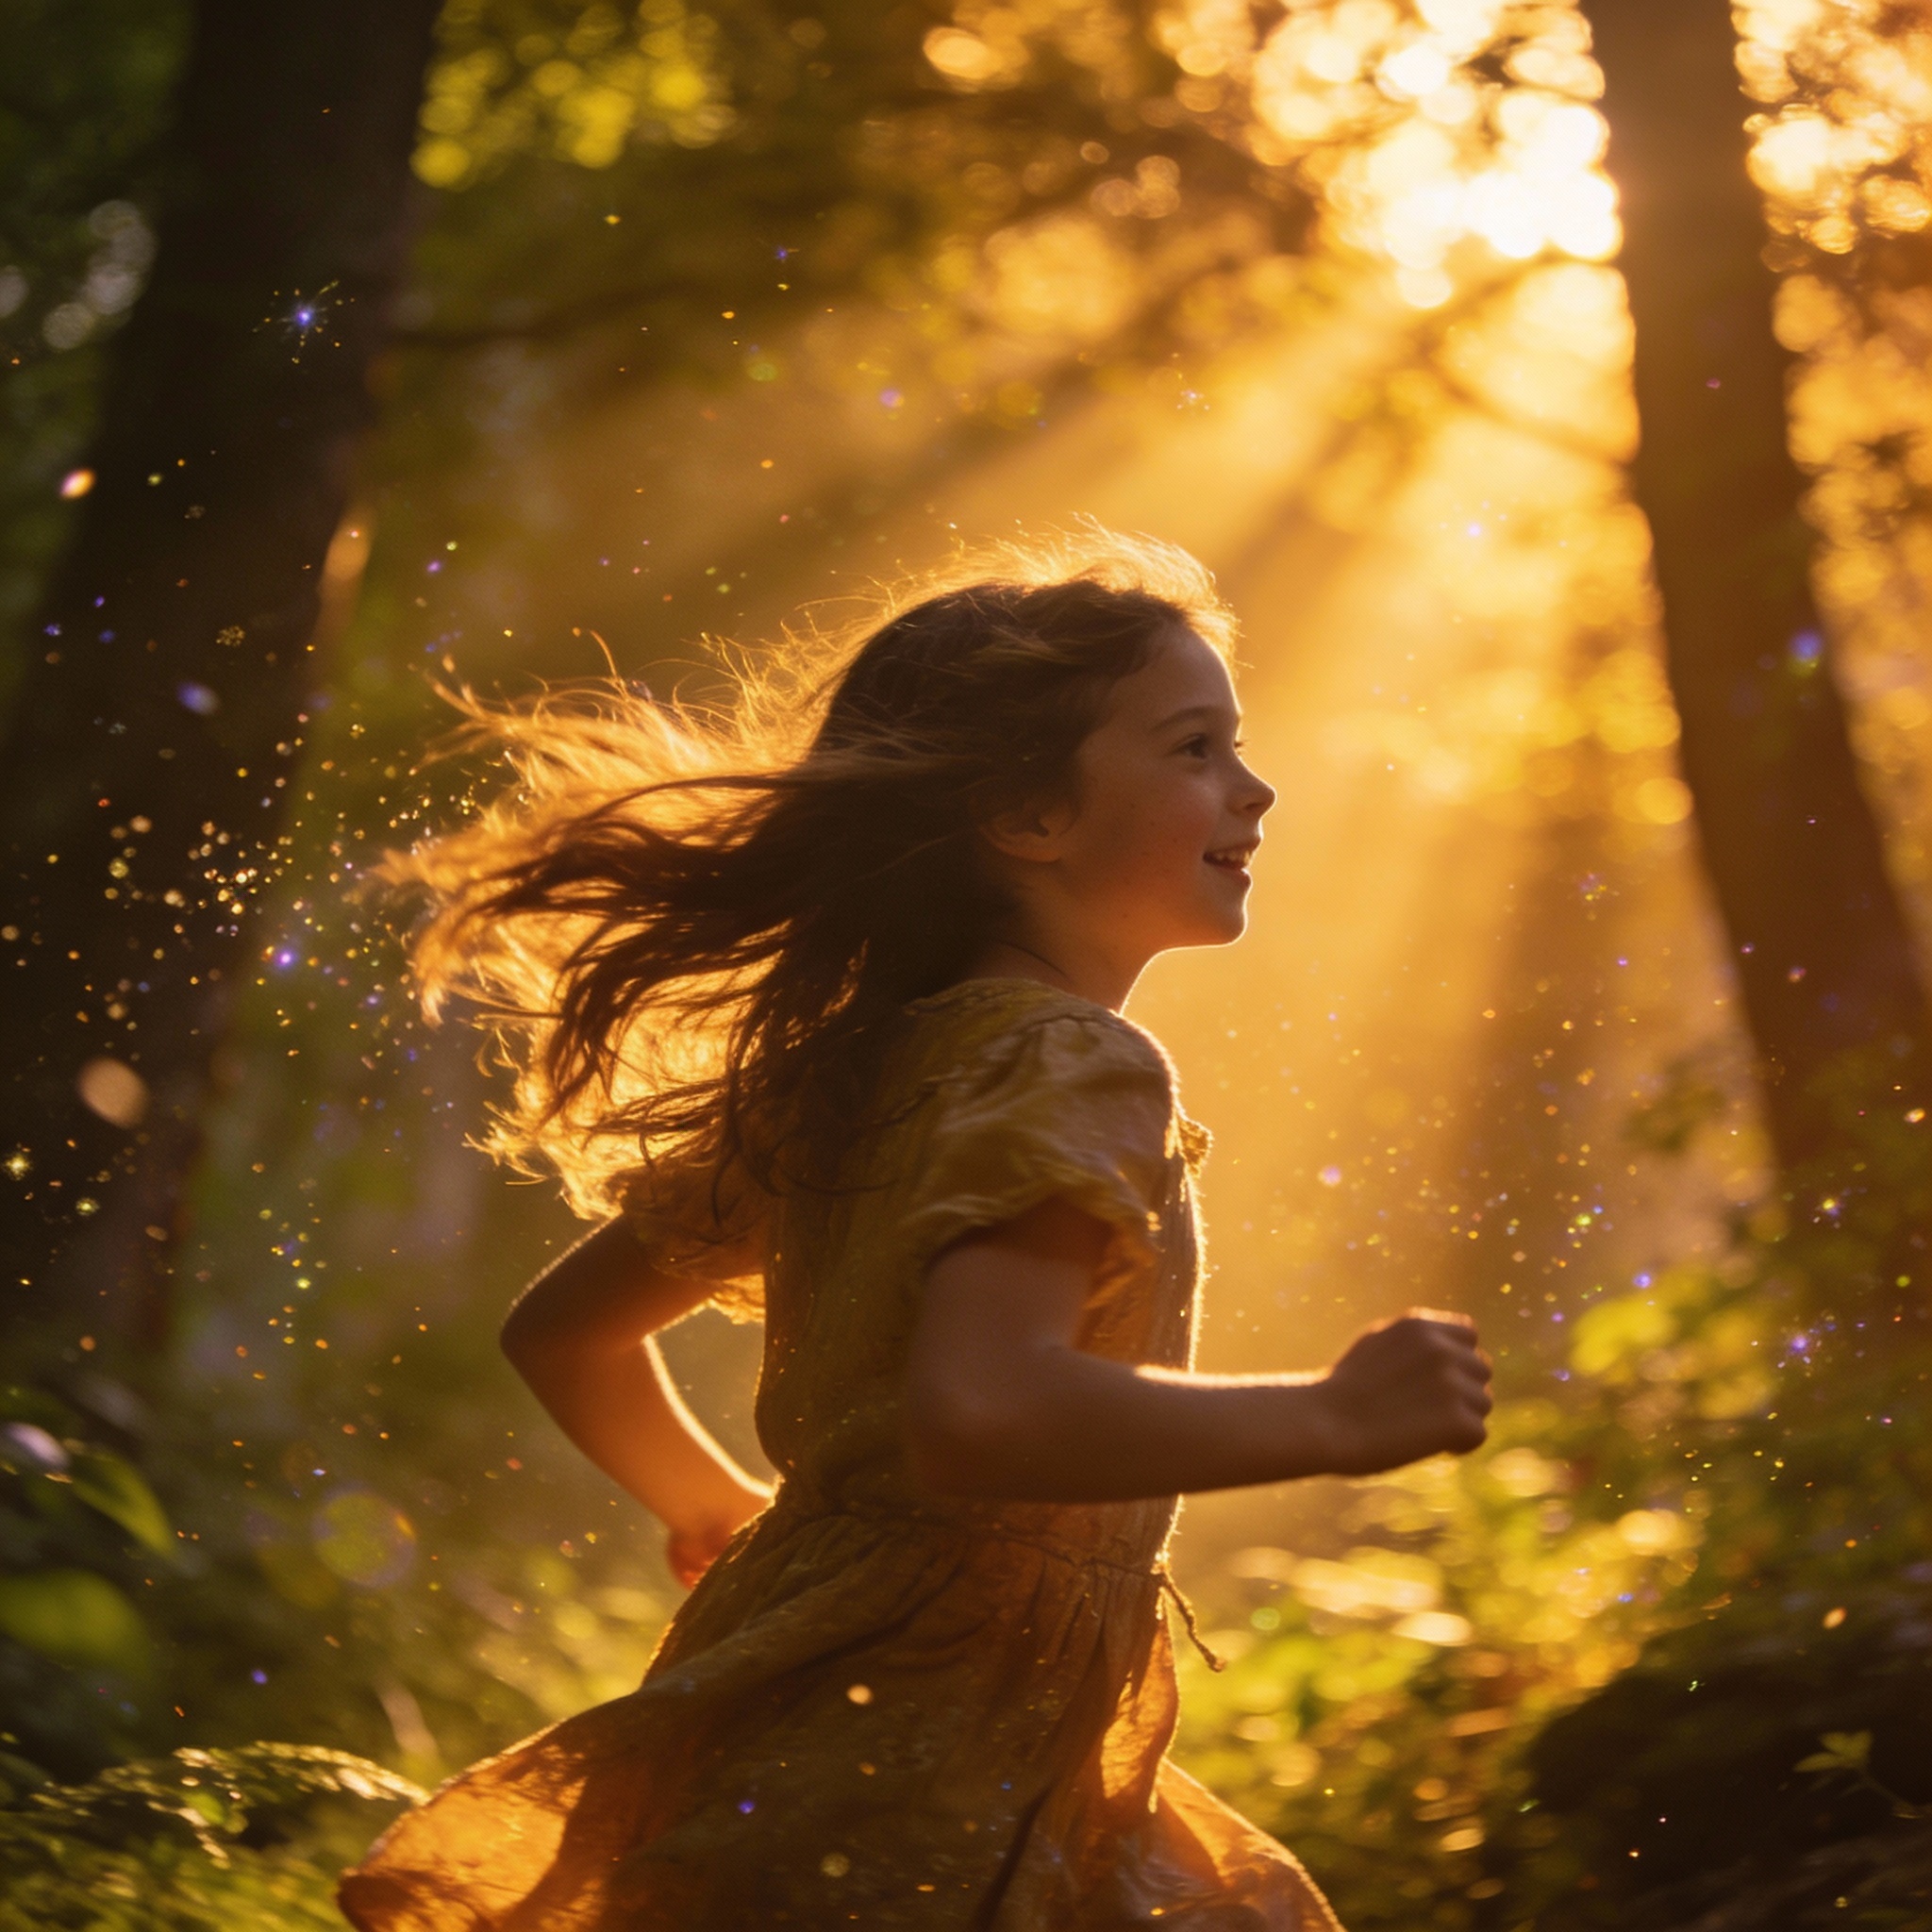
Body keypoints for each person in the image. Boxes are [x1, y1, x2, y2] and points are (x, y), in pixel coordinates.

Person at [338, 529, 1492, 1931]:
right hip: (933, 1739)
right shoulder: (1072, 1064)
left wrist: (710, 1508)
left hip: (824, 1678)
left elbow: (566, 1334)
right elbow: (982, 1410)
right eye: (1195, 747)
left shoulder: (863, 1069)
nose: (1255, 786)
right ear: (1028, 815)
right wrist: (1329, 1417)